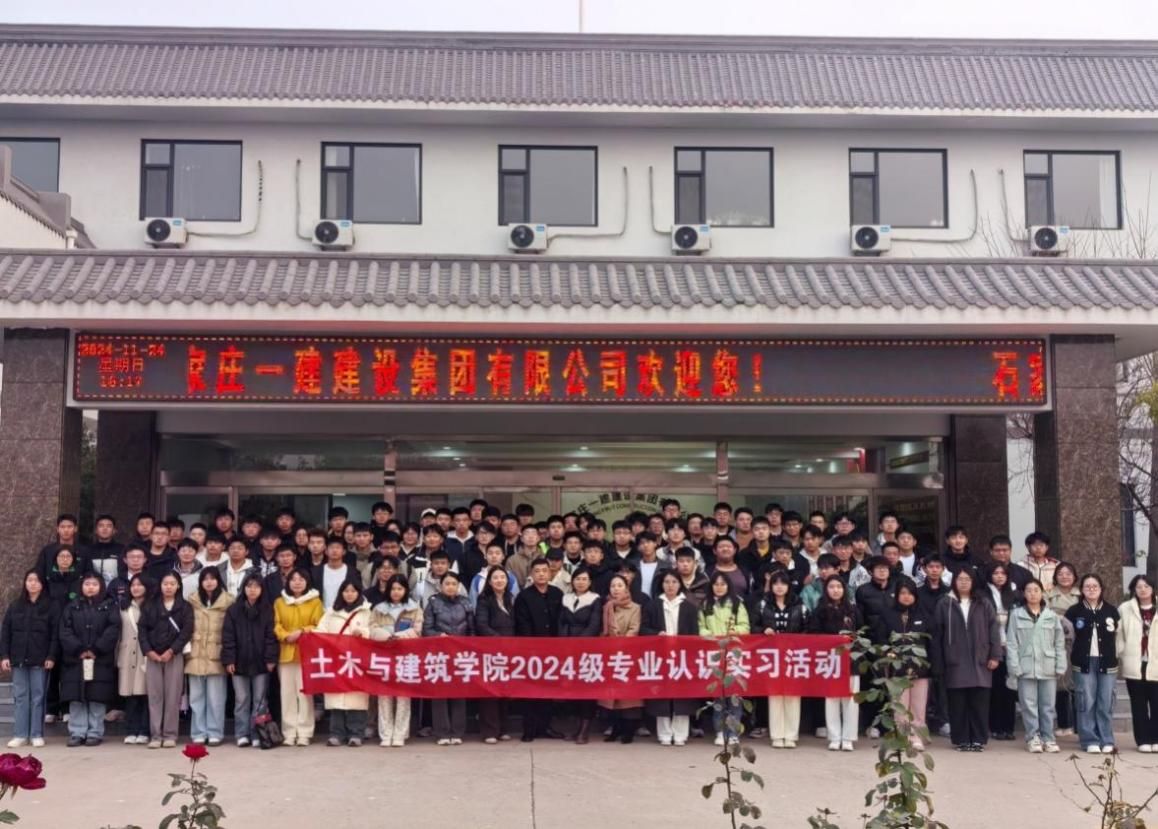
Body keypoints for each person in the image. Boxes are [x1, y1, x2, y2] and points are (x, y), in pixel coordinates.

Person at [931, 568, 1001, 752]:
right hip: (955, 659)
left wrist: (995, 655)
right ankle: (961, 739)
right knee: (958, 703)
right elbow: (937, 634)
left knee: (979, 703)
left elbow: (994, 629)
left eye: (967, 579)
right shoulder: (945, 603)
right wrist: (939, 661)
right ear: (954, 581)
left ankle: (978, 739)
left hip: (980, 659)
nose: (963, 582)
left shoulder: (983, 603)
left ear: (973, 582)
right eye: (960, 579)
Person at [59, 573, 121, 747]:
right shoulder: (72, 606)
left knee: (96, 696)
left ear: (101, 586)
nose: (90, 587)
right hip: (75, 660)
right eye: (87, 584)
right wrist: (79, 649)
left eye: (94, 584)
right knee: (77, 697)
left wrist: (96, 649)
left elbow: (113, 629)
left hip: (100, 659)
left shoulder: (109, 606)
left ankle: (95, 732)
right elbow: (65, 631)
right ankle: (77, 732)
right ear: (81, 586)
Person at [1005, 578, 1065, 753]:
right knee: (1028, 705)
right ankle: (1033, 737)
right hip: (1026, 666)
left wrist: (1060, 665)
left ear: (1042, 593)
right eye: (1029, 590)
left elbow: (1059, 643)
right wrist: (1014, 667)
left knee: (1048, 706)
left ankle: (1048, 737)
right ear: (1024, 594)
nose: (1033, 594)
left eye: (1036, 590)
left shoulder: (1051, 616)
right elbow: (1011, 643)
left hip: (1047, 665)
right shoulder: (1016, 615)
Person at [874, 579, 933, 751]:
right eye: (903, 593)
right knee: (900, 705)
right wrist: (888, 654)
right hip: (896, 667)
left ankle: (917, 736)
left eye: (910, 593)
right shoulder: (887, 614)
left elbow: (931, 641)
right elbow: (881, 639)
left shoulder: (923, 614)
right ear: (897, 595)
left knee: (918, 705)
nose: (906, 597)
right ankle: (903, 736)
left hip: (920, 667)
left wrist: (932, 664)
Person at [0, 570, 57, 748]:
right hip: (18, 658)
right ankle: (20, 734)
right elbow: (5, 632)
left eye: (36, 580)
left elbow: (54, 635)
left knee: (38, 697)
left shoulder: (50, 606)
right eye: (29, 580)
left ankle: (36, 734)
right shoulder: (15, 605)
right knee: (20, 696)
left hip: (40, 659)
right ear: (25, 583)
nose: (32, 583)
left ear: (42, 584)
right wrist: (4, 655)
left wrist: (51, 655)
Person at [221, 573, 278, 748]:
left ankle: (257, 733)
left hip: (261, 662)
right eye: (249, 586)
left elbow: (271, 637)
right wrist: (229, 660)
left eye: (256, 586)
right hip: (239, 662)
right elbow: (228, 637)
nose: (252, 590)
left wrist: (270, 659)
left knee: (260, 700)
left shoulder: (267, 610)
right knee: (241, 700)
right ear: (243, 588)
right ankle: (241, 734)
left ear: (262, 589)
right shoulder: (233, 610)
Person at [641, 571, 698, 747]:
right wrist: (657, 634)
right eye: (667, 582)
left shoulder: (689, 607)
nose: (670, 585)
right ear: (662, 584)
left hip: (682, 657)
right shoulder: (653, 605)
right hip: (660, 656)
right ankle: (664, 733)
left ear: (680, 584)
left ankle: (680, 734)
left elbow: (695, 633)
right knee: (662, 695)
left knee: (682, 696)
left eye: (674, 582)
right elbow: (643, 628)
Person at [138, 572, 194, 749]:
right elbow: (142, 630)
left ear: (178, 586)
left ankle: (170, 734)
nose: (169, 587)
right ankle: (155, 735)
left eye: (172, 583)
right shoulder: (150, 605)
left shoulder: (185, 607)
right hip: (153, 656)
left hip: (174, 656)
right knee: (155, 696)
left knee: (173, 696)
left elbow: (187, 631)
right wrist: (149, 651)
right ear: (160, 586)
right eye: (165, 583)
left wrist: (172, 650)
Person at [1066, 574, 1120, 754]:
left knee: (1106, 702)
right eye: (1087, 586)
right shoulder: (1074, 611)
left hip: (1108, 662)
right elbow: (1068, 638)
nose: (1091, 589)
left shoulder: (1111, 610)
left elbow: (1119, 636)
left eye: (1095, 586)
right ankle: (1089, 740)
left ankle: (1107, 739)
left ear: (1101, 589)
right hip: (1083, 662)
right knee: (1086, 701)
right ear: (1081, 590)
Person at [367, 575, 423, 747]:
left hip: (405, 657)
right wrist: (385, 636)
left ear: (406, 590)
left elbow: (418, 630)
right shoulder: (378, 609)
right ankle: (385, 734)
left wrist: (399, 636)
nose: (396, 592)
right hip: (383, 656)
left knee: (403, 696)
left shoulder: (415, 608)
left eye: (400, 588)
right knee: (384, 695)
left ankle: (400, 734)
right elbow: (372, 628)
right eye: (393, 588)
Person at [809, 575, 863, 751]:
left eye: (839, 587)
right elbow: (813, 633)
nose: (835, 590)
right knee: (831, 699)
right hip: (830, 660)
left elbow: (862, 632)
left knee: (851, 699)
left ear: (844, 589)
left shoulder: (853, 610)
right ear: (826, 590)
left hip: (851, 659)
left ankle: (848, 737)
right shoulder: (820, 610)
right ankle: (834, 736)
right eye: (831, 587)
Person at [513, 558, 565, 742]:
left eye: (545, 570)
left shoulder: (557, 593)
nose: (541, 574)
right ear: (531, 574)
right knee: (530, 690)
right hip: (531, 651)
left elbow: (562, 620)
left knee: (549, 691)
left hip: (553, 651)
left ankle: (545, 727)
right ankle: (529, 728)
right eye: (537, 571)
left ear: (550, 573)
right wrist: (531, 648)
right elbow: (522, 624)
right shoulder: (524, 596)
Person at [316, 579, 372, 747]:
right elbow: (320, 631)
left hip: (357, 661)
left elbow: (373, 630)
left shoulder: (366, 611)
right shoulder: (331, 612)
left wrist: (363, 632)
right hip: (337, 660)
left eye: (353, 591)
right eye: (346, 591)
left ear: (359, 593)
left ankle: (356, 733)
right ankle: (336, 733)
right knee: (337, 699)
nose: (349, 594)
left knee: (356, 699)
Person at [699, 572, 751, 746]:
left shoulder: (737, 603)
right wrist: (712, 636)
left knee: (734, 696)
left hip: (734, 654)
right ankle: (720, 731)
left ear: (728, 586)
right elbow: (700, 627)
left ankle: (733, 733)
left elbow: (745, 627)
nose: (719, 587)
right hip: (714, 654)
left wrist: (735, 632)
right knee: (718, 696)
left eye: (723, 584)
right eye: (716, 584)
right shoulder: (705, 604)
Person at [756, 571, 807, 749]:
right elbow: (754, 625)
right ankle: (777, 735)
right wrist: (763, 631)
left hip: (794, 655)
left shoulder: (799, 605)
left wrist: (797, 640)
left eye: (783, 583)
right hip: (771, 656)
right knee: (775, 695)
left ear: (789, 586)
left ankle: (791, 735)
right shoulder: (763, 604)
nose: (779, 587)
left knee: (792, 695)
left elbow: (807, 629)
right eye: (775, 583)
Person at [274, 569, 324, 746]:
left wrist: (302, 631)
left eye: (301, 579)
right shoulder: (280, 602)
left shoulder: (315, 602)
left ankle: (305, 732)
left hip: (306, 653)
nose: (297, 582)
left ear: (307, 582)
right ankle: (289, 732)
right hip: (285, 653)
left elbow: (319, 624)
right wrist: (285, 636)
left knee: (305, 695)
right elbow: (276, 624)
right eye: (293, 579)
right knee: (286, 695)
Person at [185, 568, 234, 746]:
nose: (209, 582)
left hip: (216, 654)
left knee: (216, 698)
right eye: (205, 579)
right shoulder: (192, 600)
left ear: (219, 580)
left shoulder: (228, 601)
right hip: (196, 653)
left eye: (213, 578)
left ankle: (215, 732)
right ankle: (198, 732)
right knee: (196, 697)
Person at [423, 571, 473, 745]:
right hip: (439, 654)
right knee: (440, 693)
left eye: (454, 584)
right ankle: (442, 733)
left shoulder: (465, 603)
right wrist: (439, 636)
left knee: (459, 692)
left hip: (461, 654)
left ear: (458, 586)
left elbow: (472, 629)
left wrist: (469, 644)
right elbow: (426, 629)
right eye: (447, 584)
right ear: (440, 586)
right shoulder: (433, 603)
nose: (450, 587)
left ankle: (457, 731)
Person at [559, 566, 603, 744]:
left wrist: (579, 644)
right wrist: (565, 643)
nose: (581, 582)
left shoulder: (595, 599)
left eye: (584, 579)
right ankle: (576, 727)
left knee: (586, 690)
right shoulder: (566, 598)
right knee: (572, 689)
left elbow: (594, 625)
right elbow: (560, 622)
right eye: (577, 579)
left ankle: (585, 730)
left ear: (590, 582)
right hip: (567, 650)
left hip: (587, 650)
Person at [1115, 575, 1158, 753]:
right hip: (1134, 661)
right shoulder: (1125, 608)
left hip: (1155, 662)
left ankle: (1156, 739)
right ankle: (1143, 740)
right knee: (1138, 704)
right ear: (1133, 589)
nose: (1143, 590)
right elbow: (1119, 635)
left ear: (1153, 588)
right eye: (1139, 587)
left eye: (1146, 586)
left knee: (1156, 703)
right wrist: (1122, 653)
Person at [475, 565, 516, 744]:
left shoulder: (510, 598)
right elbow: (481, 624)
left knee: (505, 690)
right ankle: (489, 731)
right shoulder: (484, 599)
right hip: (490, 650)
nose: (499, 580)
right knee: (490, 691)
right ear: (490, 582)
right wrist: (498, 640)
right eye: (495, 578)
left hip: (510, 651)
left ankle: (503, 729)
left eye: (502, 577)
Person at [600, 574, 643, 744]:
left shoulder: (635, 607)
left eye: (619, 585)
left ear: (626, 588)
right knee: (613, 696)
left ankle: (629, 730)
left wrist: (621, 643)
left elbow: (634, 629)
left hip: (628, 654)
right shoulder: (607, 607)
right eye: (613, 586)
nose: (616, 589)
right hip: (609, 654)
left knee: (629, 696)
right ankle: (615, 728)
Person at [116, 574, 152, 745]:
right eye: (133, 585)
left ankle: (144, 730)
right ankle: (130, 730)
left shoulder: (152, 606)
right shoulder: (123, 607)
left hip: (146, 654)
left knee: (145, 694)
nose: (136, 588)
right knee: (130, 695)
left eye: (140, 584)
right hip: (126, 654)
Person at [1046, 561, 1081, 736]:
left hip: (1080, 642)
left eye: (1068, 573)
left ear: (1074, 576)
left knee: (1078, 684)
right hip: (1057, 642)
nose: (1064, 577)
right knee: (1061, 684)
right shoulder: (1048, 595)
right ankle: (1064, 724)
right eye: (1060, 573)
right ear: (1055, 577)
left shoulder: (1081, 595)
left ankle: (1079, 724)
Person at [986, 564, 1019, 741]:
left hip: (1011, 646)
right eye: (995, 573)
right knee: (995, 689)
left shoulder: (1014, 594)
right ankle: (995, 727)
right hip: (992, 647)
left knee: (1010, 689)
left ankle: (1008, 727)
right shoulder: (983, 594)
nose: (999, 576)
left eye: (1002, 573)